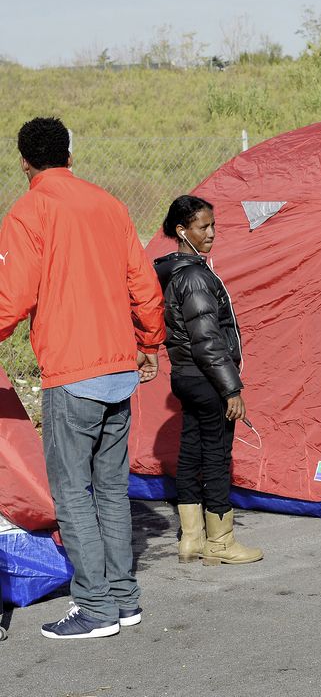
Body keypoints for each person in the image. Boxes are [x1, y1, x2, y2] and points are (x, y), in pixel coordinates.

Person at [0, 117, 164, 639]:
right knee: (112, 492)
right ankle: (123, 599)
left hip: (72, 373)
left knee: (72, 494)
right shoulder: (110, 205)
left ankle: (94, 609)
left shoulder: (29, 211)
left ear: (24, 161)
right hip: (119, 368)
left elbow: (12, 297)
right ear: (70, 155)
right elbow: (143, 283)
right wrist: (150, 342)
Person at [155, 196, 262, 566]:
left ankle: (191, 540)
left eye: (213, 225)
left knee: (190, 451)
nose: (212, 233)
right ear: (182, 231)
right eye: (204, 227)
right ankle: (221, 542)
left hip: (184, 375)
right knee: (217, 455)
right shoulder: (196, 276)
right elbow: (208, 340)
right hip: (206, 377)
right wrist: (231, 387)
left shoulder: (173, 272)